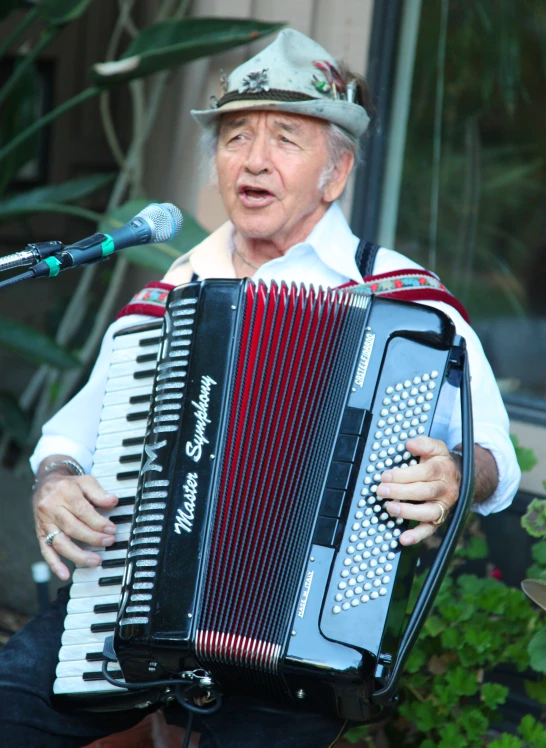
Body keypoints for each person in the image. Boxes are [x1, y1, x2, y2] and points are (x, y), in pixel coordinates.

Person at [0, 29, 520, 748]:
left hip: (303, 641)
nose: (253, 159)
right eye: (235, 136)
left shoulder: (405, 302)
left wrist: (458, 473)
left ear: (335, 174)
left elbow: (493, 448)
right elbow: (69, 434)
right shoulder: (171, 294)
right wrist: (55, 481)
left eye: (286, 138)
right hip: (128, 607)